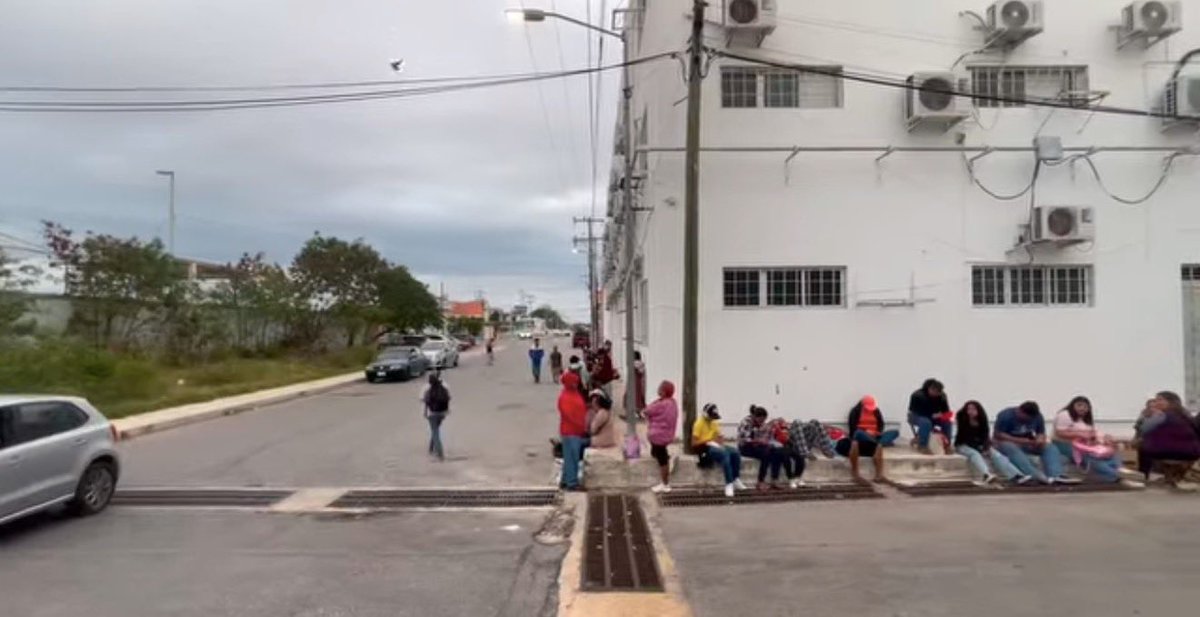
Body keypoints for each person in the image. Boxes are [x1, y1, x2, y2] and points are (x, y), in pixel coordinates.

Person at [1052, 396, 1139, 487]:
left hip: (1086, 445)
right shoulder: (1065, 414)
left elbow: (1093, 434)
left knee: (1112, 452)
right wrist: (1080, 434)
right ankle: (1119, 476)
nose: (1082, 408)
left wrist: (1103, 439)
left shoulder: (1085, 420)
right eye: (1079, 405)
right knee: (1091, 457)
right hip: (1067, 444)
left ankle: (1121, 470)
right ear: (1072, 406)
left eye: (1085, 407)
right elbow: (1060, 433)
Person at [993, 401, 1079, 485]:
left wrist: (1040, 439)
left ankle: (1056, 475)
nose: (1027, 421)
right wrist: (1018, 440)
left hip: (1028, 443)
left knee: (1049, 447)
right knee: (1010, 447)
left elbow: (1041, 432)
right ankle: (1033, 474)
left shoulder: (1037, 417)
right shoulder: (1006, 415)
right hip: (1008, 443)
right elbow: (998, 435)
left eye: (1030, 419)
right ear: (1019, 411)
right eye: (1025, 418)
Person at [954, 400, 1029, 485]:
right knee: (974, 454)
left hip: (979, 445)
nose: (971, 411)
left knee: (996, 454)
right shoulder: (962, 419)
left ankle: (1016, 475)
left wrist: (986, 447)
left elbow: (985, 435)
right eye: (969, 409)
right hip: (963, 445)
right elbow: (965, 437)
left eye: (973, 409)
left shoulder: (982, 420)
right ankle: (986, 475)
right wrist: (980, 449)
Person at [1137, 391, 1200, 488]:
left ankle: (1144, 477)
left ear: (1170, 402)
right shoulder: (1185, 414)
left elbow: (1144, 428)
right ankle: (1171, 478)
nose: (1156, 403)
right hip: (1192, 451)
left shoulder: (1161, 415)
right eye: (1156, 400)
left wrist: (1149, 416)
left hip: (1170, 451)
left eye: (1160, 400)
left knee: (1143, 447)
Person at [692, 403, 746, 498]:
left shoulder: (714, 422)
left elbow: (719, 436)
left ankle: (735, 479)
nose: (713, 418)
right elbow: (694, 443)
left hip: (715, 445)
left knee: (735, 452)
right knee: (725, 455)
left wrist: (720, 443)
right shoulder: (698, 424)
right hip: (704, 447)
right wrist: (709, 441)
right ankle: (729, 484)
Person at [839, 395, 893, 483]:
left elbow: (881, 424)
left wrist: (877, 432)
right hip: (861, 434)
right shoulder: (855, 411)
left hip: (874, 435)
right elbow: (853, 429)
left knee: (894, 433)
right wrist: (866, 432)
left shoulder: (876, 411)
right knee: (859, 434)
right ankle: (880, 442)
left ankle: (879, 475)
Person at [737, 405, 788, 489]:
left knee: (777, 452)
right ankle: (760, 481)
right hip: (745, 447)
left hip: (758, 445)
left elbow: (763, 435)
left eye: (763, 420)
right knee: (766, 454)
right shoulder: (746, 423)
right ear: (755, 417)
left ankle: (774, 479)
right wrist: (759, 441)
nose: (761, 423)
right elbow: (745, 439)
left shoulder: (761, 423)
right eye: (760, 420)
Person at [643, 380, 679, 493]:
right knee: (655, 453)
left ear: (663, 391)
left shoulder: (661, 404)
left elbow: (647, 410)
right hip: (666, 434)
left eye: (660, 388)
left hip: (659, 436)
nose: (657, 389)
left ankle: (665, 484)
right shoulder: (672, 403)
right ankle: (668, 459)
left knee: (661, 459)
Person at [557, 372, 590, 491]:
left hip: (575, 431)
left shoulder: (573, 394)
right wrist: (581, 425)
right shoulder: (565, 397)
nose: (576, 384)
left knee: (569, 457)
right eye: (574, 382)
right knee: (572, 457)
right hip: (570, 431)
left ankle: (565, 480)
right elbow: (569, 415)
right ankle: (572, 483)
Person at [908, 378, 953, 454]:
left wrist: (944, 415)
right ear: (929, 389)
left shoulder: (942, 396)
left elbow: (946, 410)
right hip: (917, 415)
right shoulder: (917, 395)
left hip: (935, 416)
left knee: (947, 422)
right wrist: (932, 415)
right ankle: (922, 446)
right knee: (926, 422)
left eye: (938, 392)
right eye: (934, 391)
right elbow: (914, 410)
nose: (936, 394)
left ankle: (946, 445)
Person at [766, 416, 806, 488]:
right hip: (776, 448)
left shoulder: (786, 429)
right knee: (785, 457)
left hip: (786, 446)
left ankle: (797, 476)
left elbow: (787, 439)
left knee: (800, 456)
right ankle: (790, 478)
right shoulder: (772, 429)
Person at [420, 372, 451, 461]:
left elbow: (422, 399)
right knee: (435, 429)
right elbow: (449, 398)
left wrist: (425, 411)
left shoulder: (426, 388)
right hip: (442, 413)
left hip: (431, 413)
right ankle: (431, 448)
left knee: (435, 432)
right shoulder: (444, 386)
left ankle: (440, 453)